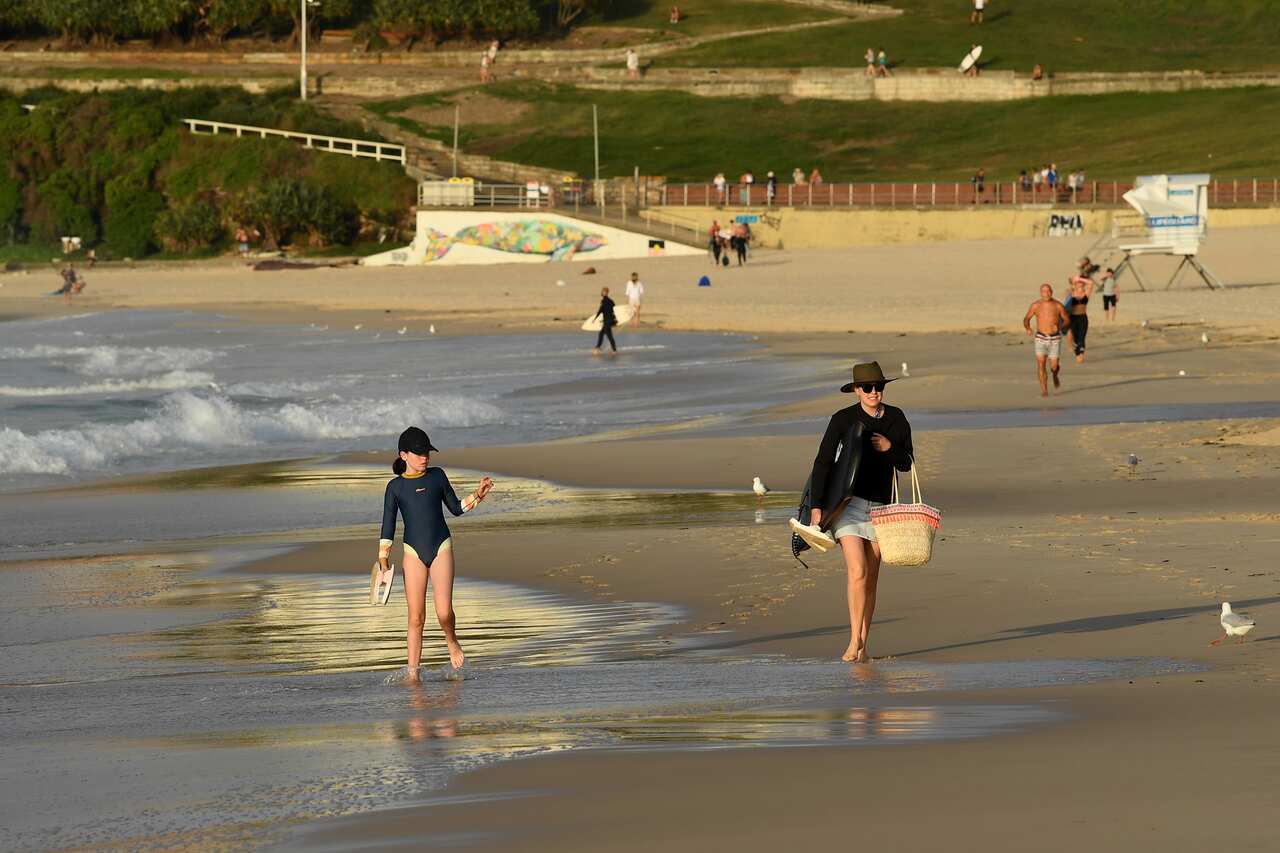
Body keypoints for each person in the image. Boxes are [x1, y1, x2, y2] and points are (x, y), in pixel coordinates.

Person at [807, 362, 913, 663]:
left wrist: (889, 446)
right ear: (856, 390)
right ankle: (853, 641)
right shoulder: (842, 419)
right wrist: (817, 508)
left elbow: (906, 462)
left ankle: (863, 644)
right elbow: (823, 462)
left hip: (882, 508)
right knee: (858, 571)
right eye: (867, 387)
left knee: (872, 578)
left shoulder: (896, 418)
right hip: (848, 506)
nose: (874, 392)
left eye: (879, 387)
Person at [378, 427, 494, 682]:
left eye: (427, 452)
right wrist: (383, 559)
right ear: (404, 455)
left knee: (443, 612)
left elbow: (455, 508)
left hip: (441, 546)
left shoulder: (437, 477)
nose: (425, 457)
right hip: (412, 551)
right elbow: (388, 524)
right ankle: (412, 675)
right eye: (419, 453)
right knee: (416, 617)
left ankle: (451, 640)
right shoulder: (395, 488)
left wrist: (478, 495)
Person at [1023, 283, 1070, 396]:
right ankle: (1044, 390)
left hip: (1055, 338)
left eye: (1048, 291)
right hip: (1040, 337)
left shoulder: (1058, 305)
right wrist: (1028, 328)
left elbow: (1067, 320)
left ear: (1052, 292)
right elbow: (1026, 318)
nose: (1047, 293)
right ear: (1041, 293)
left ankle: (1054, 374)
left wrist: (1060, 327)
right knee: (1041, 364)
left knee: (1054, 366)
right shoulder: (1035, 305)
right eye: (1044, 291)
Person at [1067, 271, 1094, 362]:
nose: (1080, 284)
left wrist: (1080, 278)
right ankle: (1077, 352)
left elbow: (1090, 283)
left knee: (1082, 337)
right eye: (1079, 282)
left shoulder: (1086, 293)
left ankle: (1080, 354)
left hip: (1082, 318)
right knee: (1075, 337)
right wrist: (1075, 281)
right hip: (1072, 318)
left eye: (1082, 283)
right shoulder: (1071, 292)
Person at [591, 286, 619, 355]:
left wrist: (594, 319)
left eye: (602, 291)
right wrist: (615, 320)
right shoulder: (611, 301)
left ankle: (613, 350)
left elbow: (600, 311)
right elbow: (615, 310)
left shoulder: (603, 301)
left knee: (608, 335)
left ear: (605, 293)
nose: (601, 292)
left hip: (607, 321)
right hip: (610, 320)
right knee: (603, 334)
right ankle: (600, 347)